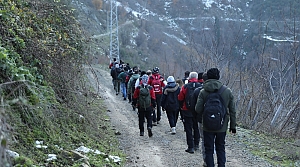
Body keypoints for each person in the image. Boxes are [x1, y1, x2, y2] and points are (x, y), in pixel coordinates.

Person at [195, 68, 236, 167]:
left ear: (208, 77)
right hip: (222, 126)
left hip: (207, 125)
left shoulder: (203, 91)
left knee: (208, 149)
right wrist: (233, 126)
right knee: (220, 147)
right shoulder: (227, 91)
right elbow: (232, 110)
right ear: (218, 77)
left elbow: (197, 109)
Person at [178, 72, 201, 154]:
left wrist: (181, 106)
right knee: (196, 127)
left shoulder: (185, 86)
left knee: (188, 129)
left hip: (187, 110)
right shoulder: (200, 87)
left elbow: (180, 97)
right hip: (197, 111)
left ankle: (190, 147)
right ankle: (196, 144)